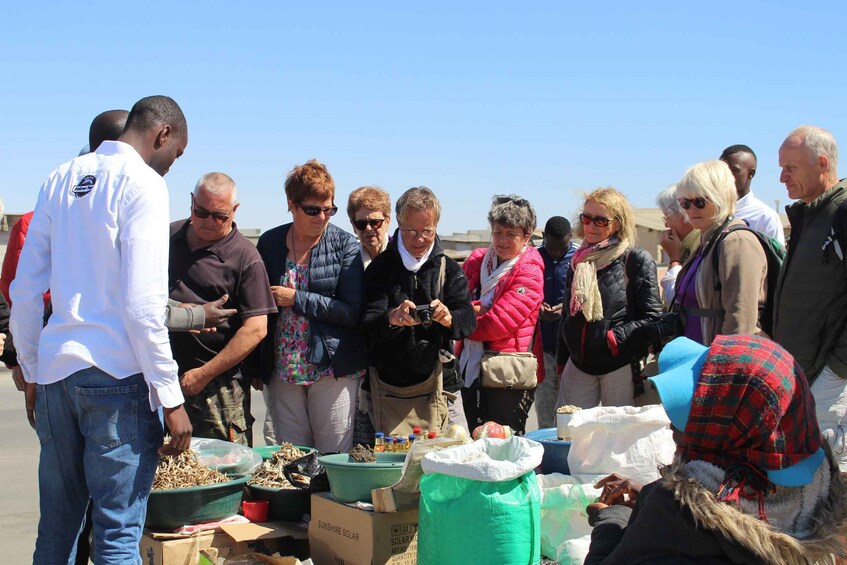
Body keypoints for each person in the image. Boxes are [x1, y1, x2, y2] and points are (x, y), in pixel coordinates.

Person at [10, 95, 193, 564]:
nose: (172, 165)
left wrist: (32, 368)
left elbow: (25, 287)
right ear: (162, 135)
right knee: (117, 534)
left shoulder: (60, 177)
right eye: (177, 153)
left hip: (56, 375)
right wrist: (170, 396)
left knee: (57, 530)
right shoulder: (144, 185)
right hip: (116, 379)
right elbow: (142, 305)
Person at [584, 335, 847, 564]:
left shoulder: (674, 515)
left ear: (736, 430)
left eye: (695, 409)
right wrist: (646, 493)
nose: (673, 425)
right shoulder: (816, 498)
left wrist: (612, 519)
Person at [248, 159, 367, 452]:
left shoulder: (345, 245)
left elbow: (352, 312)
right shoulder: (270, 243)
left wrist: (296, 299)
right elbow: (254, 309)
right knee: (292, 461)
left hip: (332, 370)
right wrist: (255, 366)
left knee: (333, 459)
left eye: (329, 209)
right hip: (283, 371)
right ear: (292, 204)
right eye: (313, 210)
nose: (322, 217)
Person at [169, 173, 276, 446]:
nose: (207, 222)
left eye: (218, 216)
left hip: (217, 387)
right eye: (200, 212)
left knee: (223, 471)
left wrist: (203, 375)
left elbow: (255, 329)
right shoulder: (167, 236)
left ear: (234, 210)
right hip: (161, 377)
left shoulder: (245, 257)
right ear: (191, 202)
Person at [362, 187, 476, 432]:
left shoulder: (449, 268)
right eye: (411, 231)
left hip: (443, 386)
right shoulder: (379, 269)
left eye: (427, 230)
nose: (420, 239)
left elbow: (467, 319)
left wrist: (449, 318)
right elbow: (367, 323)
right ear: (399, 223)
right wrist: (392, 318)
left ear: (436, 225)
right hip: (386, 390)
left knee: (457, 460)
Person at [773, 125, 847, 472]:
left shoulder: (841, 214)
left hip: (827, 380)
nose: (782, 177)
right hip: (803, 375)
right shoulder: (810, 213)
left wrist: (837, 370)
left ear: (821, 163)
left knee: (831, 482)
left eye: (790, 167)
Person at [556, 187, 664, 409]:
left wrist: (614, 340)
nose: (591, 225)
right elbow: (567, 314)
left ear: (618, 223)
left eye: (600, 220)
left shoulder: (636, 259)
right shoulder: (579, 261)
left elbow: (653, 317)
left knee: (617, 436)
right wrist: (562, 360)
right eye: (586, 218)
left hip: (619, 365)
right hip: (579, 365)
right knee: (571, 435)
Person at [459, 194, 544, 434]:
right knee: (476, 439)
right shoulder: (477, 260)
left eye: (511, 234)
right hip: (472, 367)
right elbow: (457, 302)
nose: (502, 240)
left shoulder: (530, 270)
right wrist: (478, 309)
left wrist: (461, 321)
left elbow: (499, 324)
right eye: (498, 233)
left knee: (504, 445)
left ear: (527, 235)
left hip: (507, 375)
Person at [673, 160, 768, 345]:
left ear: (720, 197)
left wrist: (723, 368)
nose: (691, 209)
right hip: (697, 358)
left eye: (700, 202)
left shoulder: (737, 242)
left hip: (720, 361)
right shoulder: (706, 241)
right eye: (685, 202)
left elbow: (740, 321)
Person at [535, 216, 578, 429]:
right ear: (543, 238)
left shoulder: (580, 258)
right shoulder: (533, 258)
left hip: (570, 349)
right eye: (551, 249)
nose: (556, 254)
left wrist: (566, 309)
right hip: (541, 349)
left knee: (571, 412)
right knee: (545, 411)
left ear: (571, 238)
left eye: (562, 249)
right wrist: (537, 306)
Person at [720, 144, 786, 245]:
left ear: (751, 174)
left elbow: (776, 258)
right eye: (722, 170)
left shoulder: (765, 217)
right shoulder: (706, 210)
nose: (725, 176)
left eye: (733, 170)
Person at [655, 184, 699, 306]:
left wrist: (674, 259)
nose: (666, 225)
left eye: (667, 217)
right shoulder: (687, 245)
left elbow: (678, 299)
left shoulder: (702, 245)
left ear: (683, 214)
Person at [347, 185, 392, 269]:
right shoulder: (347, 260)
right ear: (353, 225)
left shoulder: (401, 255)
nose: (368, 228)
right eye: (361, 224)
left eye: (375, 222)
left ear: (387, 222)